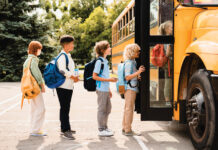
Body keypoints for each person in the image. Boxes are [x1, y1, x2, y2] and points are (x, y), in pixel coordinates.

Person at [56, 35, 79, 140]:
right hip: (63, 86)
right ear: (65, 44)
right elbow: (62, 70)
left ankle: (65, 128)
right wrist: (73, 76)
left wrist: (74, 76)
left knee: (66, 108)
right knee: (64, 108)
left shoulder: (67, 55)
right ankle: (65, 131)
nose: (73, 45)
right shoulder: (62, 56)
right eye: (71, 43)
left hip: (68, 86)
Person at [92, 41, 118, 137]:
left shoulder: (105, 61)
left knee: (108, 109)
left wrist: (109, 89)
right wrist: (109, 80)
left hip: (105, 89)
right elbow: (94, 76)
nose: (110, 48)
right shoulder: (99, 61)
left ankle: (105, 127)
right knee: (102, 109)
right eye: (108, 47)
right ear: (103, 50)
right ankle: (101, 129)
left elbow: (104, 76)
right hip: (101, 89)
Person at [23, 41, 46, 136]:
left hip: (28, 87)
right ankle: (36, 130)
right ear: (36, 50)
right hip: (35, 87)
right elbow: (37, 74)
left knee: (34, 108)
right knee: (41, 108)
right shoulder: (33, 60)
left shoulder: (27, 60)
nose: (40, 51)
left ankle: (33, 128)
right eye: (39, 49)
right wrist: (42, 85)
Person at [122, 44, 145, 136]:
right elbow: (127, 77)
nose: (139, 53)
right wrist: (139, 72)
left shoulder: (133, 61)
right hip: (130, 89)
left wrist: (137, 75)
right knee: (129, 109)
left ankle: (125, 127)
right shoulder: (129, 63)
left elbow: (132, 74)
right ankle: (128, 130)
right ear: (132, 52)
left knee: (127, 108)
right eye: (137, 51)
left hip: (131, 87)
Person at [159, 21, 173, 105]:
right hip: (170, 63)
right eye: (171, 27)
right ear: (167, 30)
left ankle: (167, 100)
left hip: (167, 63)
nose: (173, 29)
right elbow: (167, 53)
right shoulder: (168, 39)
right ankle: (168, 100)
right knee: (168, 81)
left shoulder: (165, 38)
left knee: (168, 80)